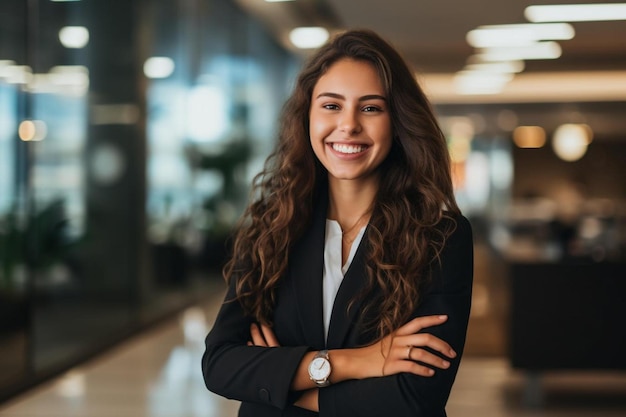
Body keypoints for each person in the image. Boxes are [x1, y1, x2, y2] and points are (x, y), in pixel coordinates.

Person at [202, 29, 473, 417]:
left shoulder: (440, 237)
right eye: (331, 106)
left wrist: (281, 382)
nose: (348, 126)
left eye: (370, 108)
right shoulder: (271, 224)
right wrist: (358, 362)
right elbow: (220, 365)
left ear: (397, 122)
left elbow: (415, 397)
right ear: (307, 116)